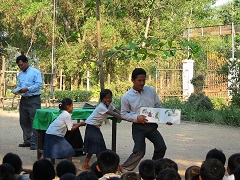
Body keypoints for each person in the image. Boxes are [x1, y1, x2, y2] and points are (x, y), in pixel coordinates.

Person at [120, 68, 171, 172]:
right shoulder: (126, 97)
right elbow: (123, 114)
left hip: (151, 126)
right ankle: (124, 168)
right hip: (138, 127)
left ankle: (152, 168)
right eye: (139, 80)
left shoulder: (151, 91)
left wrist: (166, 118)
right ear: (133, 80)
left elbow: (158, 106)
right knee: (139, 151)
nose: (142, 83)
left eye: (144, 80)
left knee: (161, 147)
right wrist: (136, 118)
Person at [81, 89, 124, 170]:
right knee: (98, 147)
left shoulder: (110, 105)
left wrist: (122, 114)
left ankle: (86, 164)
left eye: (110, 98)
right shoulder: (101, 107)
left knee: (96, 146)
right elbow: (113, 114)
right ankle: (101, 165)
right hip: (91, 126)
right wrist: (126, 117)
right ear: (102, 99)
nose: (108, 100)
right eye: (105, 98)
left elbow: (116, 110)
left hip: (95, 127)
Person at [15, 52, 42, 150]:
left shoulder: (35, 72)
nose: (20, 67)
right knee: (24, 121)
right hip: (24, 99)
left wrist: (28, 89)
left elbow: (39, 84)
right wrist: (17, 90)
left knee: (34, 121)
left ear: (26, 62)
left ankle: (35, 142)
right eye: (19, 66)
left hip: (34, 99)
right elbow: (19, 85)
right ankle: (27, 141)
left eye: (21, 65)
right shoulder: (20, 75)